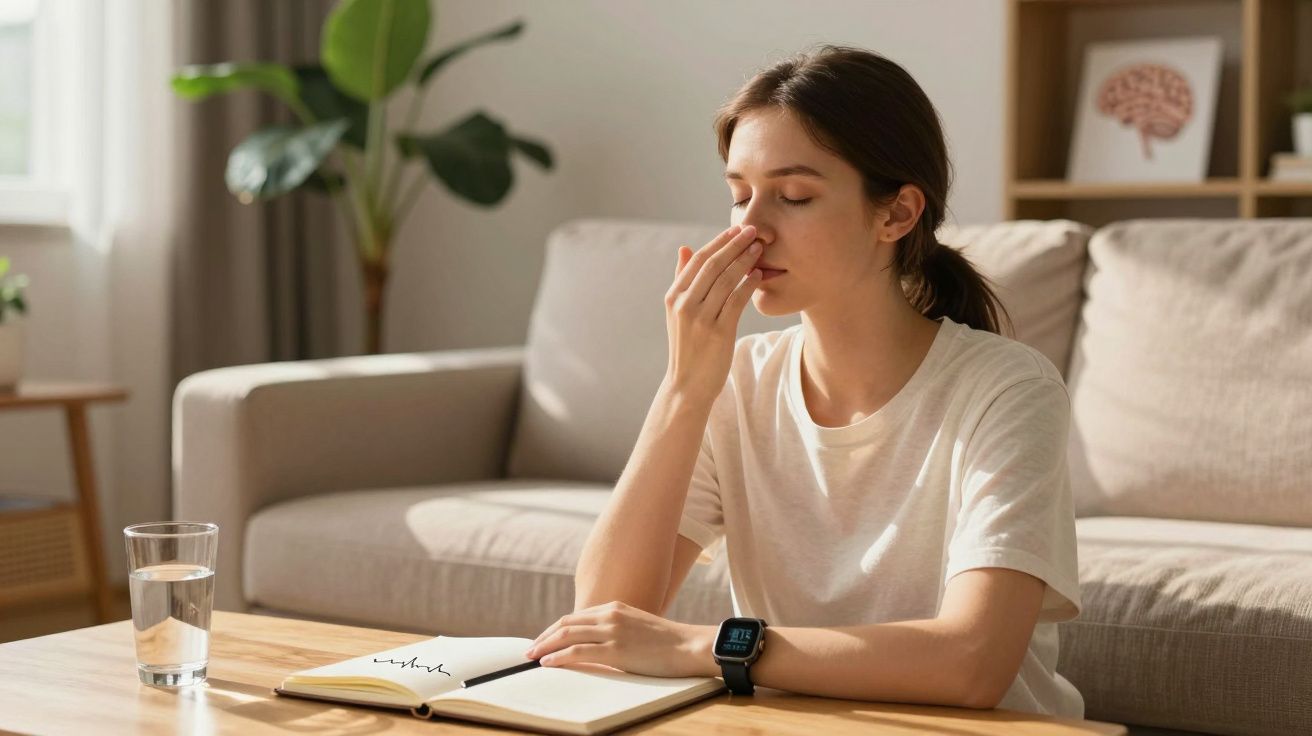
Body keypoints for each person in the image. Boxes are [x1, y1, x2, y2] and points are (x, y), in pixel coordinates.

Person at [524, 44, 1084, 719]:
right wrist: (683, 391)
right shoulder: (736, 384)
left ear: (897, 214)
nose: (751, 228)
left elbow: (972, 664)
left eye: (793, 196)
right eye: (738, 195)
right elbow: (607, 621)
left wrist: (706, 648)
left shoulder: (1006, 388)